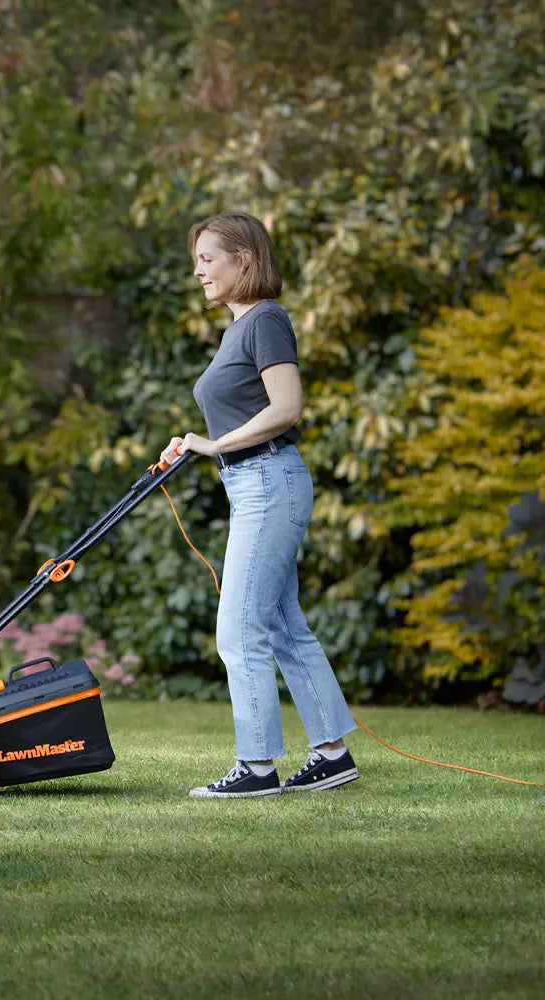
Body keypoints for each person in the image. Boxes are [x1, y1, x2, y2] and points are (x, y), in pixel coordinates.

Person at [160, 211, 359, 798]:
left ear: (244, 260)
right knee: (279, 625)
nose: (198, 270)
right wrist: (196, 444)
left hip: (268, 482)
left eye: (207, 258)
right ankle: (331, 755)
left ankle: (256, 767)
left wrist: (215, 443)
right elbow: (247, 409)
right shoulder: (239, 329)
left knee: (239, 629)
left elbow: (287, 406)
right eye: (196, 260)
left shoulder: (265, 320)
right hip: (255, 483)